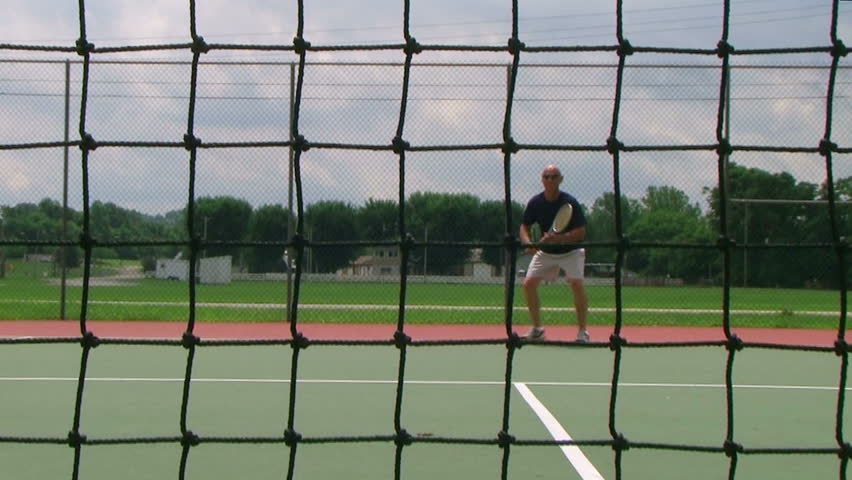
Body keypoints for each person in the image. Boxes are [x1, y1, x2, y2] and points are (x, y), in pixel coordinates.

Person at [519, 165, 590, 342]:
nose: (550, 180)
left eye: (554, 176)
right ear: (542, 180)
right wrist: (528, 243)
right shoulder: (535, 202)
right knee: (528, 284)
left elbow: (581, 233)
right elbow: (524, 226)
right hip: (546, 253)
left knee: (576, 284)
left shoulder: (570, 202)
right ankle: (537, 330)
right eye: (547, 176)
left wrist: (559, 238)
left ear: (561, 179)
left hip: (571, 252)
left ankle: (583, 332)